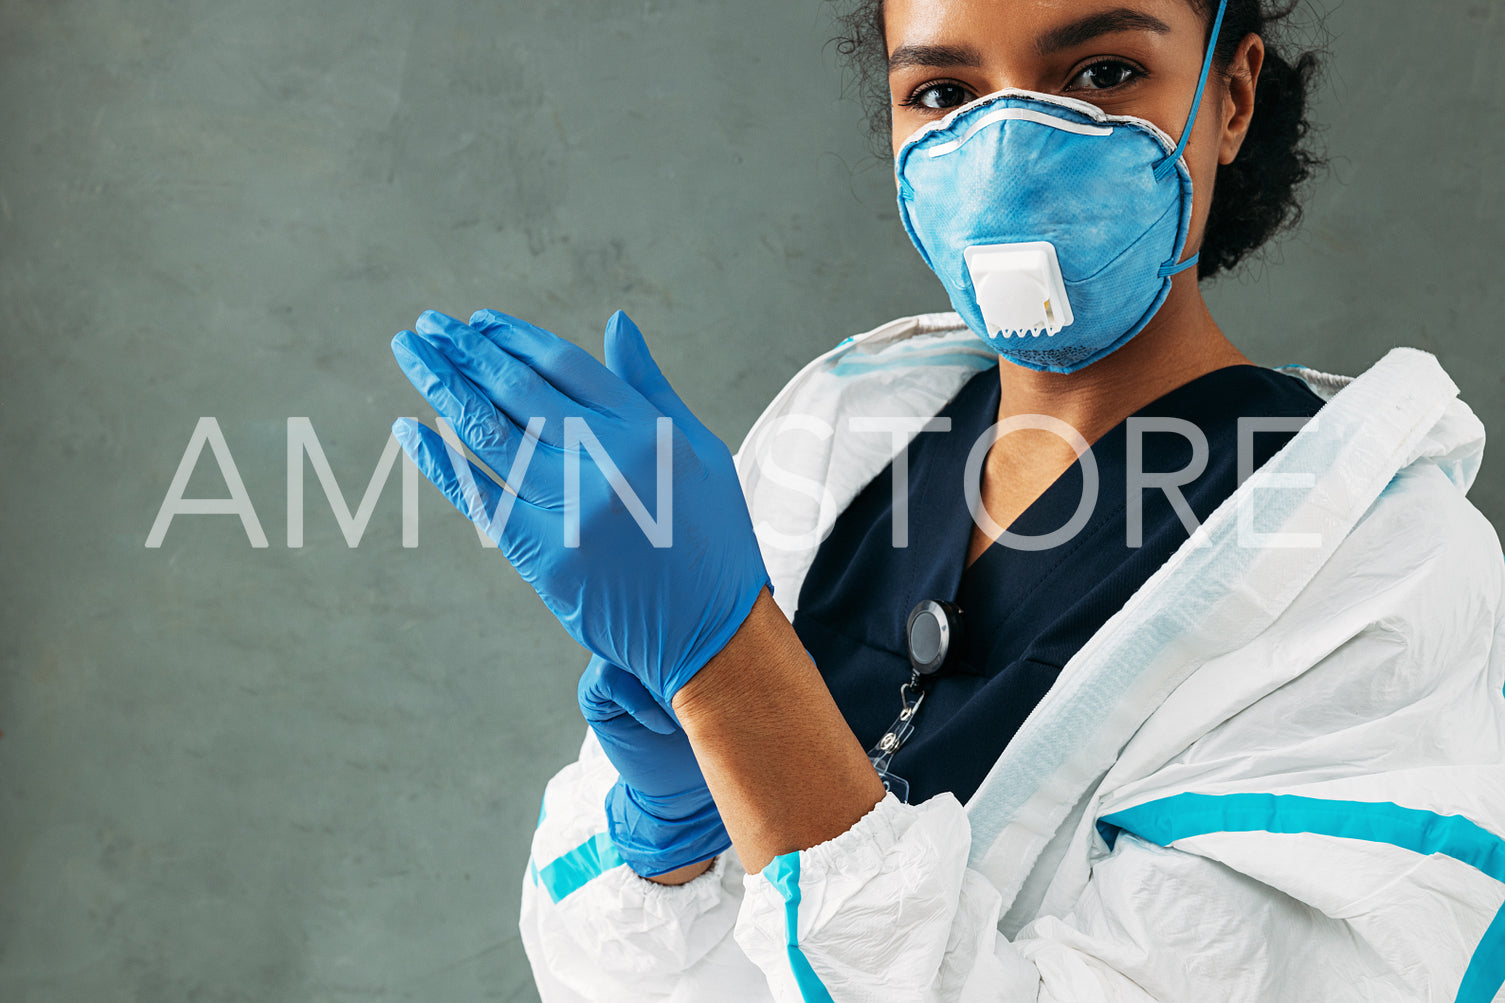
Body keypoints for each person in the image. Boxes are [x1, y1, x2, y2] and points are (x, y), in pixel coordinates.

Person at [390, 0, 1505, 999]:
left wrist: (736, 676)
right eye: (941, 94)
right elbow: (611, 978)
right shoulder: (840, 449)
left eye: (1100, 74)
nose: (1007, 150)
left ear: (1228, 95)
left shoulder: (1382, 570)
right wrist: (669, 837)